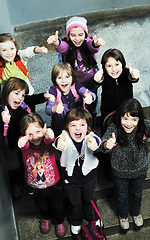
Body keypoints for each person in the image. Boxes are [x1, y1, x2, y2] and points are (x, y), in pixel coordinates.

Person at [100, 98, 150, 230]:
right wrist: (106, 144)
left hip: (140, 170)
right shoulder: (114, 128)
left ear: (139, 119)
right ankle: (123, 216)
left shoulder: (144, 126)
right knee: (121, 196)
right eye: (125, 118)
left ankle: (136, 213)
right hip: (119, 172)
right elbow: (104, 141)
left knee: (137, 194)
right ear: (119, 117)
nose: (129, 123)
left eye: (134, 119)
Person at [47, 16, 105, 128]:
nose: (77, 38)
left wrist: (96, 44)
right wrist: (56, 42)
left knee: (91, 105)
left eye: (80, 35)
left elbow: (93, 46)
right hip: (73, 84)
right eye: (73, 35)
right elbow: (62, 47)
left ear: (85, 34)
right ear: (68, 36)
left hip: (90, 82)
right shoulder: (67, 45)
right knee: (76, 106)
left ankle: (91, 125)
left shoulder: (88, 42)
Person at [53, 108, 102, 239]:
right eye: (73, 125)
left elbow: (96, 139)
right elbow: (58, 140)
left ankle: (94, 218)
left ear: (88, 127)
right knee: (74, 202)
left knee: (90, 199)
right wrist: (59, 142)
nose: (77, 128)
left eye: (82, 125)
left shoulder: (90, 135)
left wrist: (95, 143)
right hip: (71, 180)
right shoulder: (65, 136)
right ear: (67, 127)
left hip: (89, 178)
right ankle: (75, 221)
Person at [18, 112, 66, 238]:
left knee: (58, 205)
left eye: (38, 132)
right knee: (42, 206)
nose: (34, 137)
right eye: (30, 134)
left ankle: (60, 221)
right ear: (24, 135)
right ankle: (45, 218)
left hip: (54, 184)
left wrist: (49, 134)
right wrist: (23, 140)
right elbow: (23, 144)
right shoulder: (25, 145)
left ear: (43, 130)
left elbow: (50, 139)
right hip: (33, 187)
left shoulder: (47, 143)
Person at [0, 77, 29, 200]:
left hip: (20, 150)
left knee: (20, 171)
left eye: (23, 95)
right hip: (5, 151)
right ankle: (16, 192)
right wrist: (3, 120)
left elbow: (29, 122)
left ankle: (20, 190)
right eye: (16, 93)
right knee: (13, 173)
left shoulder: (21, 112)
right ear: (7, 92)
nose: (20, 98)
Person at [0, 33, 48, 109]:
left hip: (26, 94)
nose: (9, 53)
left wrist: (37, 50)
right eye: (4, 50)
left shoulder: (20, 57)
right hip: (10, 99)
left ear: (16, 48)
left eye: (12, 48)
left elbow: (28, 52)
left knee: (30, 110)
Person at [94, 48, 140, 135]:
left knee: (127, 132)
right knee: (110, 133)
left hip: (126, 110)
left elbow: (133, 78)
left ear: (122, 64)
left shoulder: (127, 72)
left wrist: (134, 76)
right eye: (109, 66)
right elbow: (99, 81)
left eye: (117, 64)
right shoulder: (104, 76)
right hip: (109, 112)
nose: (114, 69)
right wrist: (98, 80)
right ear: (104, 67)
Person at [45, 62, 96, 137]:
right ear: (54, 80)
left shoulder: (77, 86)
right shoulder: (53, 91)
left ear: (72, 77)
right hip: (61, 128)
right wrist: (55, 108)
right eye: (59, 78)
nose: (63, 81)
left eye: (67, 77)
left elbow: (90, 94)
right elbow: (48, 110)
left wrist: (89, 96)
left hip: (78, 126)